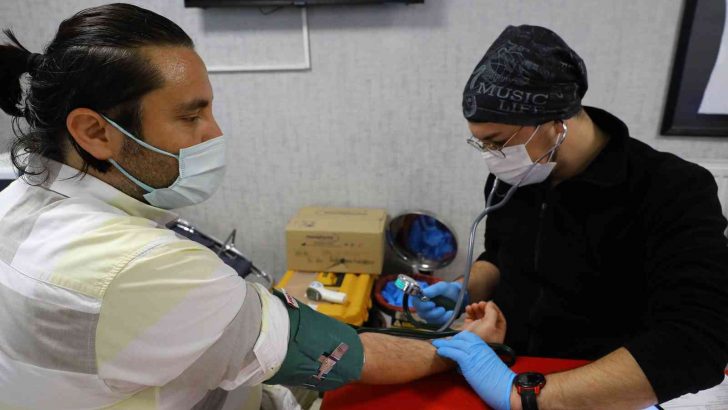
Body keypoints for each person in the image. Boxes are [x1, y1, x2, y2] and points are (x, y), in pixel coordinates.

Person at [0, 4, 504, 409]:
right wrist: (460, 348)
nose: (214, 133)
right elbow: (340, 355)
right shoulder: (140, 264)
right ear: (94, 131)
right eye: (191, 116)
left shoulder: (14, 202)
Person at [415, 25, 728, 409]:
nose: (491, 157)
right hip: (509, 366)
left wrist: (524, 395)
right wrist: (467, 288)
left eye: (496, 142)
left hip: (596, 390)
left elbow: (696, 342)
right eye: (481, 144)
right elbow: (500, 254)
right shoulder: (515, 176)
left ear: (556, 124)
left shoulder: (672, 188)